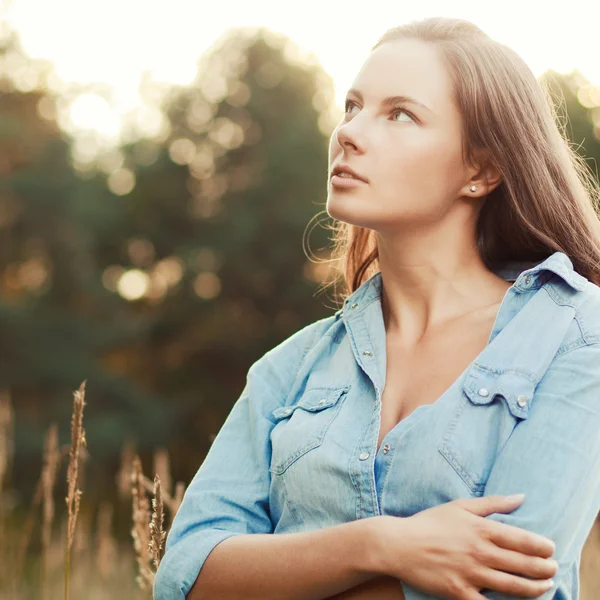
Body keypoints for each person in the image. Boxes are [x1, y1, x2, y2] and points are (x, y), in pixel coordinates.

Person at [153, 16, 600, 600]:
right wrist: (383, 545)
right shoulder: (290, 368)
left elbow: (506, 585)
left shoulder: (575, 332)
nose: (350, 133)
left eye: (401, 114)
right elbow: (184, 577)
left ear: (482, 169)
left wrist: (282, 575)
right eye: (352, 107)